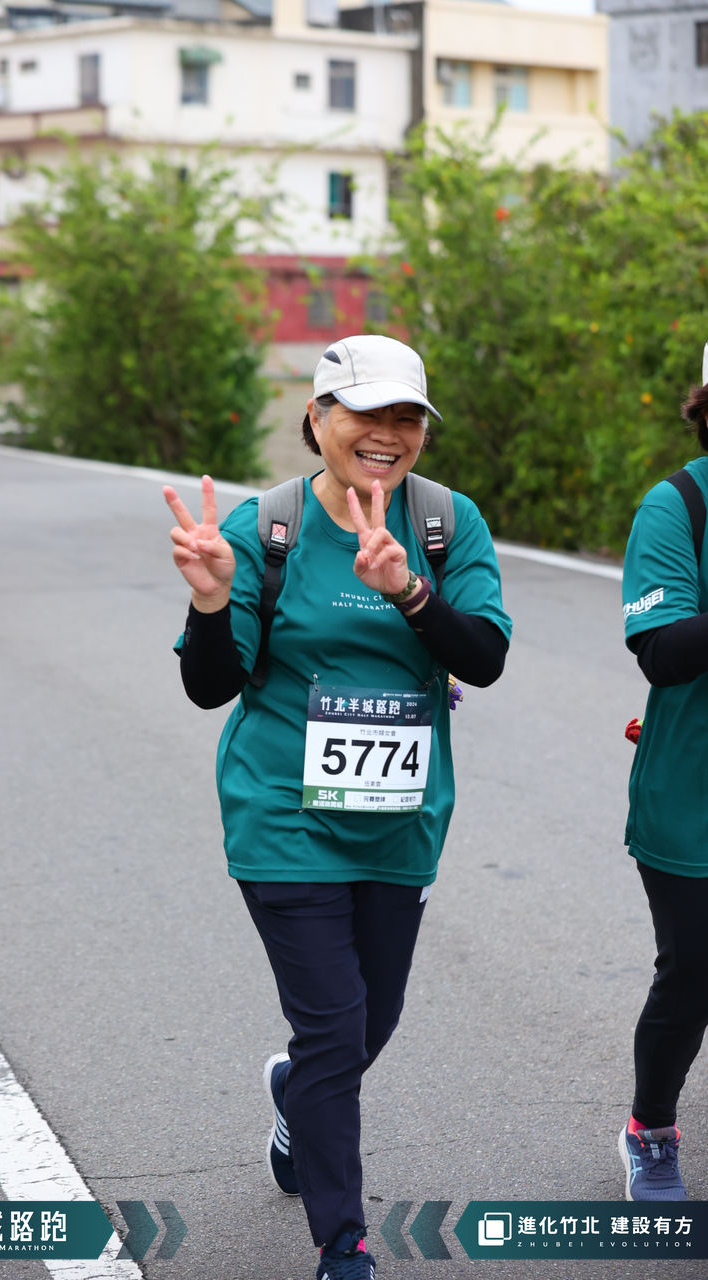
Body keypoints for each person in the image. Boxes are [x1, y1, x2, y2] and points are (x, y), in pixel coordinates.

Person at [164, 334, 512, 1279]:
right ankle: (343, 1242)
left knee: (365, 1028)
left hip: (400, 820)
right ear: (317, 417)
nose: (386, 434)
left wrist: (406, 589)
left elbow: (482, 657)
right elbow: (210, 686)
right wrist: (210, 602)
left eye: (406, 418)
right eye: (365, 413)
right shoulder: (264, 528)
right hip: (284, 817)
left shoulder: (446, 523)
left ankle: (296, 1098)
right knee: (332, 1029)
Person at [618, 350, 708, 1203]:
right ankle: (649, 1128)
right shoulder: (677, 504)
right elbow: (663, 650)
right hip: (691, 796)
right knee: (693, 976)